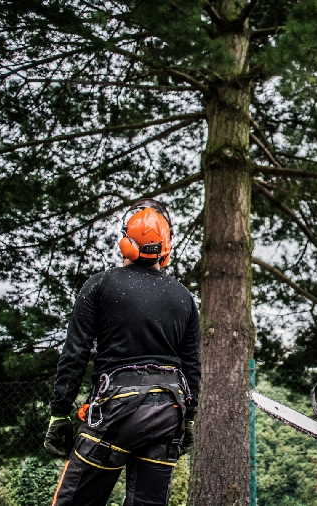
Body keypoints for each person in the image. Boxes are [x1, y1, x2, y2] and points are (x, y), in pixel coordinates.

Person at [44, 198, 201, 506]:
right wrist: (189, 420)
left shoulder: (99, 286)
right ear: (166, 249)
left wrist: (59, 413)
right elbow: (192, 367)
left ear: (125, 243)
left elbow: (75, 354)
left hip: (115, 412)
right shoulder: (184, 297)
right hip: (169, 413)